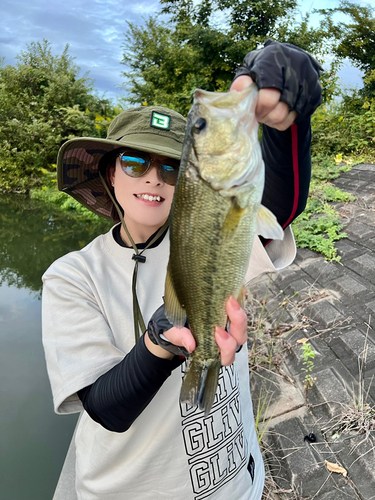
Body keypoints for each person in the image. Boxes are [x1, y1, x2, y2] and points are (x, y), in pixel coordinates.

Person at [42, 39, 322, 500]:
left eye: (172, 166)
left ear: (189, 177)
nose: (153, 177)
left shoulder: (211, 233)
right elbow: (106, 409)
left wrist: (290, 114)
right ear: (110, 173)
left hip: (233, 485)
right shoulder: (73, 275)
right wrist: (161, 341)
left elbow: (281, 206)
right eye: (134, 162)